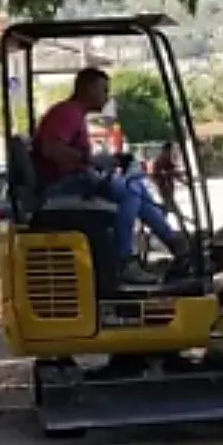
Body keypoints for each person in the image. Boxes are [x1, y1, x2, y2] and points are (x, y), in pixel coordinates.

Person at [31, 67, 189, 284]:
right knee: (129, 191)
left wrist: (107, 161)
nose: (107, 96)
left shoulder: (74, 114)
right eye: (103, 90)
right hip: (63, 187)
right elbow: (50, 149)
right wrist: (89, 160)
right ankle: (125, 260)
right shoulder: (67, 112)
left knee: (136, 187)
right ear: (88, 89)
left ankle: (177, 246)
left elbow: (72, 154)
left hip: (76, 181)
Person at [151, 141, 178, 211]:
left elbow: (171, 169)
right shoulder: (162, 158)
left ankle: (178, 218)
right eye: (171, 149)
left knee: (170, 204)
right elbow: (164, 172)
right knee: (169, 204)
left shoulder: (165, 157)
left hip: (166, 184)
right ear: (167, 149)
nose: (172, 151)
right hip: (165, 184)